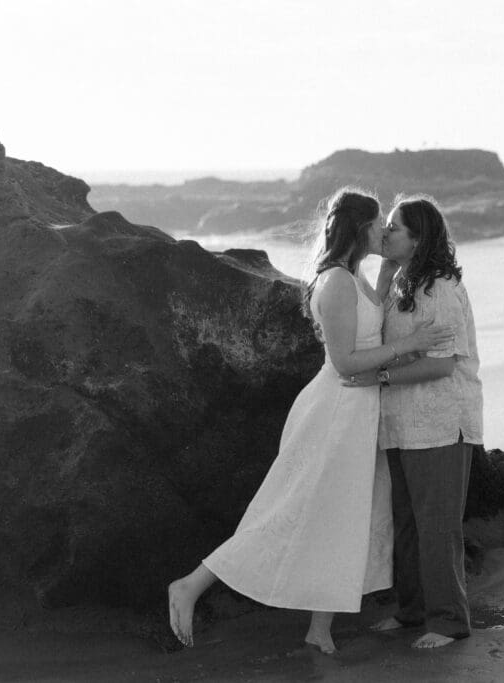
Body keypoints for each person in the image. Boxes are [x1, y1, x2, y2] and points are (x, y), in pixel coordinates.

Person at [167, 188, 453, 654]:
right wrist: (410, 342)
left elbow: (369, 319)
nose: (385, 230)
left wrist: (386, 272)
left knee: (340, 519)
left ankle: (319, 629)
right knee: (288, 511)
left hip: (357, 414)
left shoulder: (354, 277)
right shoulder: (337, 282)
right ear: (361, 229)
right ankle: (191, 586)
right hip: (336, 411)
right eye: (380, 223)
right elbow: (345, 361)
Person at [343, 195, 483, 649]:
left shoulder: (439, 286)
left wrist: (380, 376)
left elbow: (441, 365)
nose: (385, 233)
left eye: (395, 228)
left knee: (437, 525)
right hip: (401, 423)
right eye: (384, 225)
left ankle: (447, 622)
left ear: (420, 239)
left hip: (441, 421)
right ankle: (412, 612)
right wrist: (383, 274)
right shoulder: (403, 280)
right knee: (405, 522)